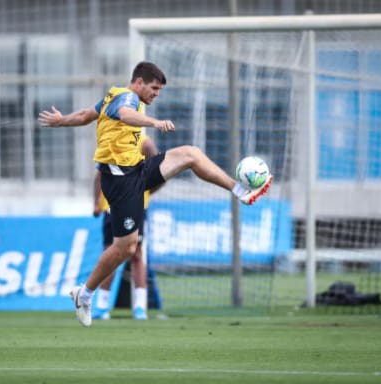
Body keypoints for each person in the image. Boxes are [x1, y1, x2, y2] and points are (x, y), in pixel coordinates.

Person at [38, 61, 272, 327]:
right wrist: (155, 122)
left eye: (159, 90)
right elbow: (126, 115)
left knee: (190, 154)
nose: (156, 94)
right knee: (125, 248)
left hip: (136, 171)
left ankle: (239, 190)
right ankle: (85, 294)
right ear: (139, 83)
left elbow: (85, 115)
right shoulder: (126, 98)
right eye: (154, 88)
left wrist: (61, 121)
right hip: (120, 181)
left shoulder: (112, 96)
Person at [92, 135, 161, 321]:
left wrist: (144, 191)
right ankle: (101, 305)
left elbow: (159, 168)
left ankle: (139, 307)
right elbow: (99, 175)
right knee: (111, 254)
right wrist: (97, 203)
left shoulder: (143, 142)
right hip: (111, 207)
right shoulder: (110, 140)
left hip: (136, 206)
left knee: (137, 254)